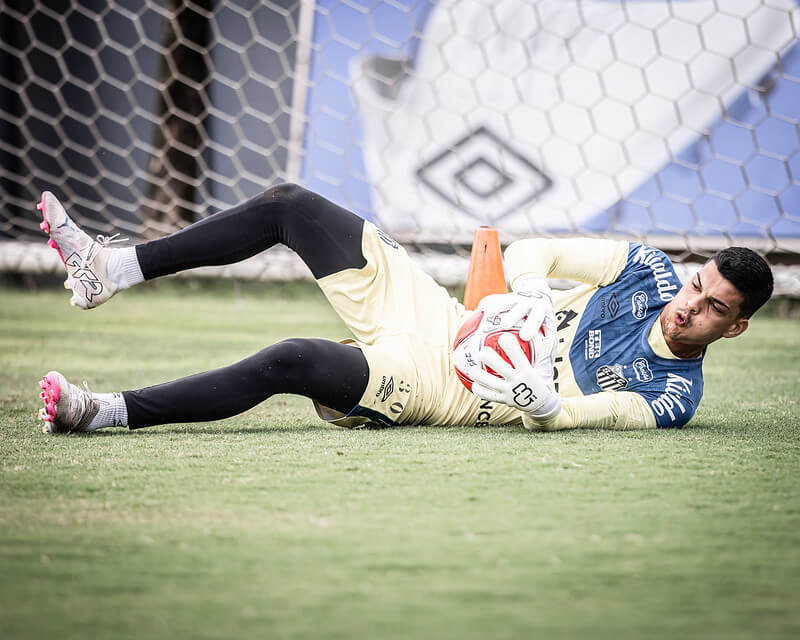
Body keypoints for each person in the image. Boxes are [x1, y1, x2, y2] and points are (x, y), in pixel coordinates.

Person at [36, 184, 773, 434]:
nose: (688, 308)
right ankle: (111, 268)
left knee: (290, 359)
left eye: (712, 310)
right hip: (447, 318)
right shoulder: (646, 269)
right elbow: (531, 252)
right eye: (694, 287)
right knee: (292, 207)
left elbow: (581, 418)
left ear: (734, 328)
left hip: (456, 394)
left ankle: (101, 412)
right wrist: (527, 300)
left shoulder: (675, 393)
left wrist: (543, 403)